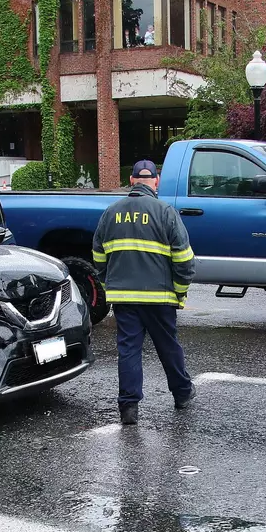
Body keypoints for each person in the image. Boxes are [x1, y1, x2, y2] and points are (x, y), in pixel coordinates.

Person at [92, 160, 196, 425]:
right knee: (168, 346)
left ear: (131, 180)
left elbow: (98, 257)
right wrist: (180, 293)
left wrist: (109, 286)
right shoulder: (165, 212)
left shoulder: (111, 213)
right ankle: (182, 394)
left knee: (128, 349)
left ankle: (128, 408)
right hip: (160, 297)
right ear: (156, 181)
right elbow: (184, 260)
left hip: (125, 298)